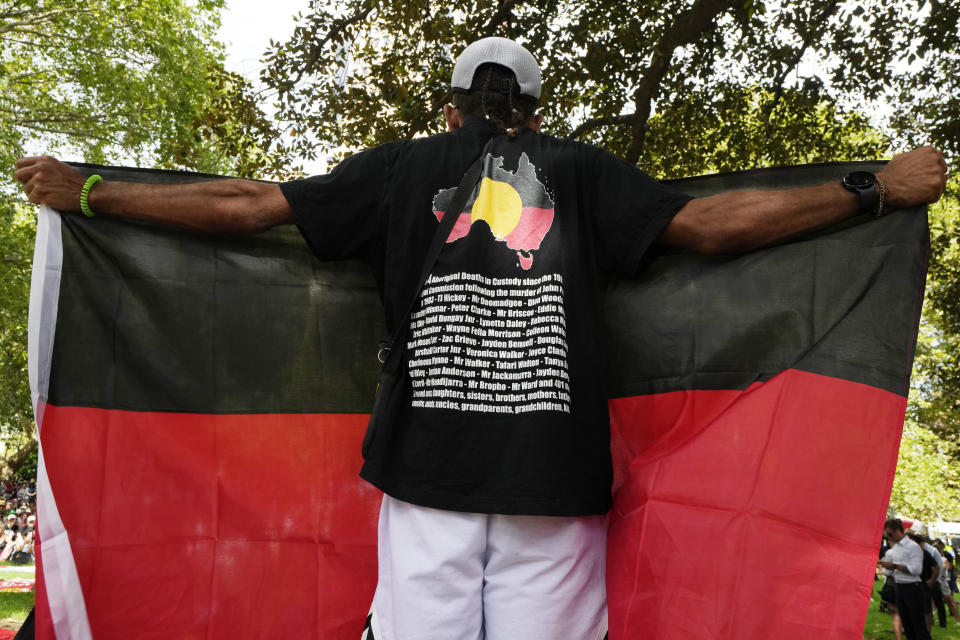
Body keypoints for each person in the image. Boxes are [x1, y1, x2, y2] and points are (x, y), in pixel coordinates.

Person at [15, 37, 948, 640]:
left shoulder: (399, 169)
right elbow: (715, 224)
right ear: (535, 113)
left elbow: (252, 205)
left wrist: (93, 194)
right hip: (557, 485)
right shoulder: (582, 173)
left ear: (452, 107)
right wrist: (874, 190)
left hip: (429, 480)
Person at [882, 519, 932, 640]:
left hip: (912, 588)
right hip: (899, 587)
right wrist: (885, 566)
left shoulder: (913, 547)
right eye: (886, 535)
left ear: (898, 531)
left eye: (890, 534)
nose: (888, 537)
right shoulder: (894, 549)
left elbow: (916, 570)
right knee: (907, 625)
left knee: (918, 625)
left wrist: (893, 566)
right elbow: (888, 572)